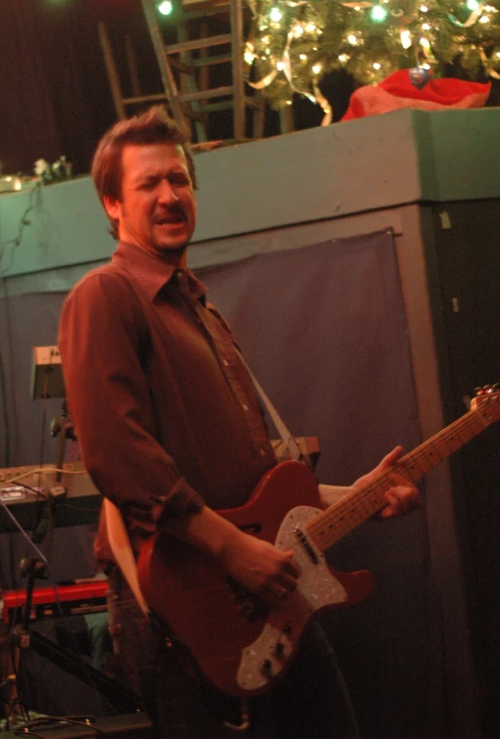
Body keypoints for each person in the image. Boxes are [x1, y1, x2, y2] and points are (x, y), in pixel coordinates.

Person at [58, 106, 421, 738]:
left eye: (180, 180)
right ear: (112, 204)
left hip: (262, 593)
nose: (171, 195)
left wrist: (354, 496)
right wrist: (236, 552)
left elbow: (249, 485)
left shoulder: (198, 309)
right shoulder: (105, 296)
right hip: (181, 605)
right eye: (149, 184)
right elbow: (118, 455)